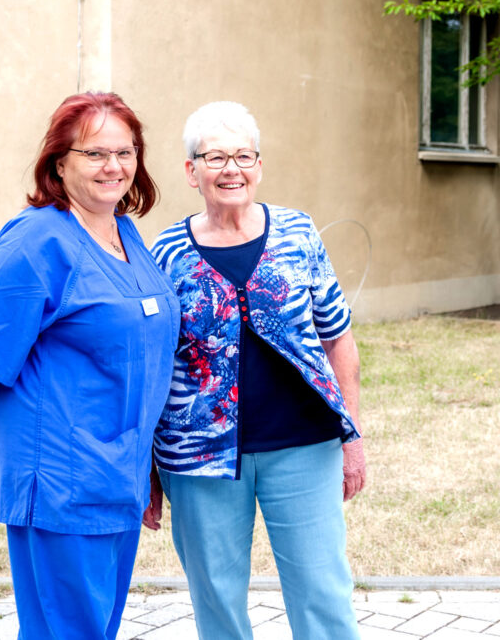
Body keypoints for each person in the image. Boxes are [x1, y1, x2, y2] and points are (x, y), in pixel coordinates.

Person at [0, 92, 180, 640]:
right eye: (95, 153)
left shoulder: (126, 234)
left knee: (94, 629)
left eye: (125, 152)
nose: (113, 166)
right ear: (59, 162)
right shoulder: (37, 239)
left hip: (118, 474)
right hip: (60, 480)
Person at [144, 101, 366, 639]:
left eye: (244, 155)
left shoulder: (297, 232)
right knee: (217, 601)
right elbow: (151, 367)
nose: (231, 169)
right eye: (215, 156)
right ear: (191, 171)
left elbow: (339, 339)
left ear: (259, 166)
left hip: (305, 445)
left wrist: (352, 436)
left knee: (322, 595)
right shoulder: (166, 254)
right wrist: (146, 470)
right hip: (199, 460)